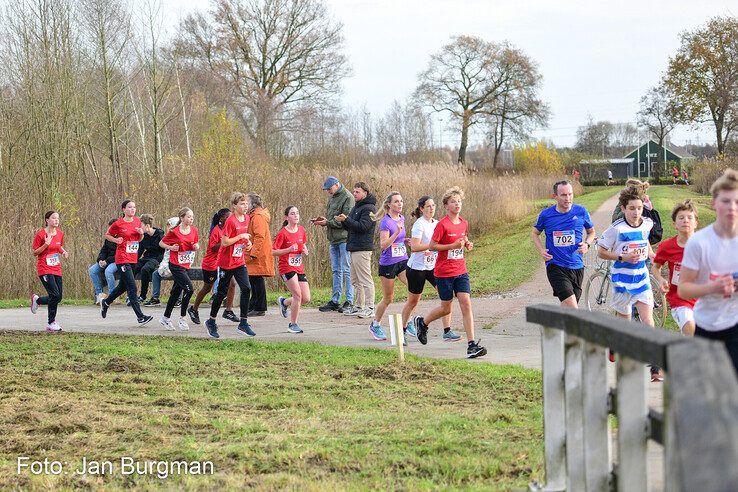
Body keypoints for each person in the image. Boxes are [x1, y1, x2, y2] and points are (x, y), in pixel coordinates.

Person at [412, 187, 487, 359]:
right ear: (446, 205)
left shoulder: (464, 222)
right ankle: (422, 323)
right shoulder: (442, 225)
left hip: (460, 270)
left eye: (459, 201)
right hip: (444, 272)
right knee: (446, 309)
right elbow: (432, 246)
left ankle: (471, 345)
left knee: (466, 303)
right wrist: (452, 247)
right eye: (453, 201)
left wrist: (467, 244)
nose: (457, 204)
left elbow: (463, 238)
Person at [597, 186, 661, 381]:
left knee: (647, 321)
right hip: (621, 281)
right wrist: (622, 257)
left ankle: (655, 368)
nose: (636, 212)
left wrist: (650, 253)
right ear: (623, 209)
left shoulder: (647, 224)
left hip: (641, 279)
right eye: (632, 208)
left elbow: (644, 239)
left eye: (639, 208)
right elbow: (601, 251)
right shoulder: (616, 229)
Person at [679, 169, 738, 375]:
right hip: (705, 325)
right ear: (713, 203)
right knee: (708, 389)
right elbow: (683, 290)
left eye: (736, 202)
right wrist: (712, 287)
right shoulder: (699, 242)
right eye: (725, 201)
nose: (732, 207)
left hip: (735, 322)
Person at [401, 195, 459, 342]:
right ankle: (402, 331)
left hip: (434, 267)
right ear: (422, 209)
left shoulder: (438, 224)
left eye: (433, 205)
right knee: (413, 301)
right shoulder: (419, 225)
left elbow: (444, 243)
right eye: (428, 206)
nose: (432, 208)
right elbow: (414, 247)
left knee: (446, 297)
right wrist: (430, 247)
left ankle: (447, 331)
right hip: (417, 268)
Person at [532, 180, 595, 308]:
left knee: (567, 307)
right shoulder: (546, 215)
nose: (568, 198)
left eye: (570, 194)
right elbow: (535, 233)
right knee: (572, 307)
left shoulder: (581, 211)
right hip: (555, 266)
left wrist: (587, 244)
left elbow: (591, 232)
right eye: (563, 195)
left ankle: (554, 326)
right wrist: (541, 250)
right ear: (555, 196)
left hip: (577, 266)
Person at [205, 192, 254, 339]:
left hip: (239, 261)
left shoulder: (247, 218)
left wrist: (248, 243)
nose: (245, 206)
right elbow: (225, 242)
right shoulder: (230, 221)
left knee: (246, 288)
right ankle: (211, 321)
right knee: (221, 293)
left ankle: (243, 323)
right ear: (234, 206)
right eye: (241, 204)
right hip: (226, 263)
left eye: (246, 204)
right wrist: (240, 237)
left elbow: (243, 238)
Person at [100, 200, 153, 325]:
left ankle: (106, 302)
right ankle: (140, 316)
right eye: (129, 207)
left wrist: (141, 234)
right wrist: (116, 239)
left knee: (122, 286)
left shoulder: (137, 221)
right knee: (132, 287)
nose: (132, 209)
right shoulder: (118, 224)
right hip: (122, 258)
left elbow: (139, 239)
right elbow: (107, 235)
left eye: (134, 207)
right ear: (124, 209)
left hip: (133, 258)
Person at [365, 192, 410, 341]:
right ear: (389, 204)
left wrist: (405, 240)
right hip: (388, 264)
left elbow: (399, 240)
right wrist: (396, 232)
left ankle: (407, 321)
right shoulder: (385, 222)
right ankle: (375, 324)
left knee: (414, 288)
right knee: (388, 298)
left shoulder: (402, 218)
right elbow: (383, 245)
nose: (400, 204)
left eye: (401, 201)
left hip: (402, 260)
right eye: (396, 201)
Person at [652, 200, 698, 336]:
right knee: (692, 332)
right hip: (680, 300)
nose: (686, 221)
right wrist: (660, 280)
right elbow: (655, 267)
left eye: (690, 217)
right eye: (681, 218)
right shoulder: (667, 246)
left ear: (696, 222)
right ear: (674, 224)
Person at [314, 176, 355, 313]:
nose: (328, 192)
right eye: (327, 190)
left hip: (344, 239)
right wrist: (325, 220)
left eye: (330, 189)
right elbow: (333, 218)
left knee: (346, 269)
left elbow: (345, 220)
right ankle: (335, 300)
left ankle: (349, 300)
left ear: (337, 185)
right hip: (333, 239)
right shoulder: (333, 197)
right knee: (336, 270)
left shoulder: (348, 197)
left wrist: (327, 222)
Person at [188, 208, 236, 325]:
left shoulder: (228, 229)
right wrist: (225, 241)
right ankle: (193, 309)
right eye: (228, 217)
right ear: (222, 219)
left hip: (223, 263)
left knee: (232, 284)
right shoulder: (216, 230)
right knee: (207, 288)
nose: (230, 219)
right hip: (211, 263)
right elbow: (213, 248)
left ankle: (228, 310)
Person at [336, 182, 376, 318]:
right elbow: (351, 227)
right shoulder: (356, 207)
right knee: (355, 279)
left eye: (357, 192)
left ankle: (370, 306)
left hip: (363, 248)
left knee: (365, 279)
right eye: (354, 191)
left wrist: (348, 219)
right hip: (353, 247)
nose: (355, 194)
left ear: (365, 192)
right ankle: (359, 306)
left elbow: (363, 227)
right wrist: (344, 221)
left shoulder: (369, 208)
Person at [159, 207, 199, 332]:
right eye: (188, 217)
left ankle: (165, 318)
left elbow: (195, 244)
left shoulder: (194, 230)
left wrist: (196, 246)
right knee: (189, 289)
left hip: (186, 265)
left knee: (175, 293)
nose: (191, 219)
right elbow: (161, 243)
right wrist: (171, 248)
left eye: (192, 217)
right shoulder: (174, 232)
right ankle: (182, 318)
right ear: (182, 218)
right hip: (175, 265)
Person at [274, 206, 311, 334]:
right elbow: (273, 251)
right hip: (286, 267)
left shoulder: (301, 230)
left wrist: (304, 249)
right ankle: (292, 324)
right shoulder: (282, 233)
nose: (296, 216)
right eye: (292, 214)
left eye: (297, 213)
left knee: (305, 298)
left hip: (299, 267)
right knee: (297, 295)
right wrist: (288, 250)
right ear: (287, 217)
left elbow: (303, 243)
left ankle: (284, 302)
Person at [30, 211, 69, 332]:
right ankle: (51, 322)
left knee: (58, 297)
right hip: (44, 268)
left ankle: (38, 300)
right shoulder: (40, 234)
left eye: (58, 218)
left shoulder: (60, 233)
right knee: (54, 294)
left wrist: (63, 252)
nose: (56, 220)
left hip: (56, 267)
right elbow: (35, 252)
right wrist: (45, 245)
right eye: (53, 218)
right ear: (47, 220)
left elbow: (58, 246)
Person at [245, 192, 274, 316]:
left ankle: (260, 307)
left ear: (253, 204)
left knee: (257, 280)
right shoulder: (255, 216)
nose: (245, 205)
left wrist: (253, 253)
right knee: (254, 280)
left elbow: (259, 237)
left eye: (247, 202)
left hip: (258, 254)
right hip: (256, 252)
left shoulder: (257, 217)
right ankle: (254, 305)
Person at [136, 214, 165, 306]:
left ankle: (143, 296)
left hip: (157, 258)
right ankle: (131, 294)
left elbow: (164, 250)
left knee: (145, 269)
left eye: (141, 226)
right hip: (147, 257)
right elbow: (140, 250)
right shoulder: (143, 236)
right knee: (134, 267)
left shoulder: (159, 234)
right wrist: (133, 260)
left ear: (147, 226)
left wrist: (161, 261)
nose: (140, 228)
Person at [88, 218, 118, 305]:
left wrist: (107, 261)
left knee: (108, 271)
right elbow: (103, 251)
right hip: (106, 261)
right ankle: (99, 294)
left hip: (116, 261)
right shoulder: (108, 238)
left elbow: (118, 254)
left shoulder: (121, 238)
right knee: (92, 270)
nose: (110, 230)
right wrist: (100, 260)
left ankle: (112, 295)